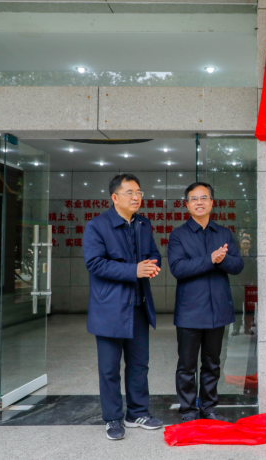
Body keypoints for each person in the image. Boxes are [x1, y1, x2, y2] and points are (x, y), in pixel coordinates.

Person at [83, 173, 163, 441]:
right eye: (130, 192)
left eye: (139, 192)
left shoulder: (143, 224)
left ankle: (137, 412)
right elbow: (95, 264)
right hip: (109, 309)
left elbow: (154, 253)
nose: (136, 197)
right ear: (114, 197)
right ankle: (113, 418)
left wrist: (152, 265)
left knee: (139, 364)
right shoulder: (97, 226)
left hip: (138, 305)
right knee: (109, 368)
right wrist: (134, 269)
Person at [168, 182, 244, 423]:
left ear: (212, 202)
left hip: (217, 311)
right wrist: (211, 259)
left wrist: (221, 260)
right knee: (187, 366)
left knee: (212, 364)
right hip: (190, 312)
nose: (199, 202)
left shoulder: (223, 233)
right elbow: (178, 268)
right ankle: (188, 411)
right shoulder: (178, 235)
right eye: (194, 199)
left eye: (204, 198)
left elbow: (237, 265)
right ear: (187, 205)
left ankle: (209, 408)